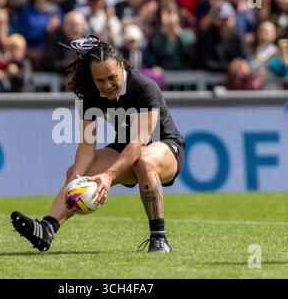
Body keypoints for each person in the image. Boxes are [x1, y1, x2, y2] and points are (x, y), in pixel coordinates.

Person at [11, 35, 185, 253]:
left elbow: (138, 142)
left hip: (165, 148)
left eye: (112, 77)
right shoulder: (89, 96)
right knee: (74, 173)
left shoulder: (144, 87)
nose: (107, 85)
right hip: (124, 148)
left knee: (143, 160)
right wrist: (77, 176)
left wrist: (109, 175)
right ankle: (47, 228)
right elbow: (86, 146)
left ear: (122, 66)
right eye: (100, 81)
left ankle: (158, 237)